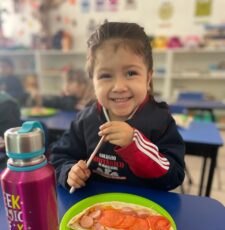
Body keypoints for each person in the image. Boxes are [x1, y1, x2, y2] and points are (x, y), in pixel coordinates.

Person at [50, 21, 185, 192]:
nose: (119, 87)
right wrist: (69, 171)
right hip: (95, 210)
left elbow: (174, 177)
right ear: (93, 80)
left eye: (131, 73)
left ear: (148, 77)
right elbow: (58, 156)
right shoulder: (85, 119)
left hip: (145, 211)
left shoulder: (160, 120)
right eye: (106, 75)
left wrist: (136, 145)